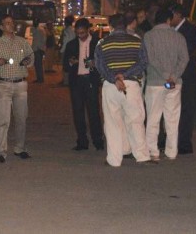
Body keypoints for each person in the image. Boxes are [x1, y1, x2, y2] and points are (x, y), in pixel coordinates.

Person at [95, 14, 154, 167]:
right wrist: (125, 75)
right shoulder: (136, 41)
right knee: (136, 120)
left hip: (110, 86)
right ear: (126, 24)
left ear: (111, 25)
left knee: (112, 122)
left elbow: (100, 66)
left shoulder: (103, 43)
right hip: (131, 85)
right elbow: (143, 62)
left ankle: (114, 159)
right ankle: (142, 155)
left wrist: (115, 78)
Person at [0, 15, 34, 163]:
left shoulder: (22, 42)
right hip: (3, 84)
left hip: (21, 84)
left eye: (12, 23)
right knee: (3, 119)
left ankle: (20, 147)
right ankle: (0, 151)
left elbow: (31, 57)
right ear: (1, 27)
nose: (10, 25)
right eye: (7, 23)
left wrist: (27, 61)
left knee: (21, 118)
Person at [143, 9, 189, 161]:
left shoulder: (149, 36)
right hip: (174, 84)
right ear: (169, 20)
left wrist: (164, 75)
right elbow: (185, 59)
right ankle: (171, 151)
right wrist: (173, 76)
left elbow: (150, 58)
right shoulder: (179, 36)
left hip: (156, 82)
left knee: (153, 118)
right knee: (172, 118)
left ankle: (153, 151)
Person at [63, 18, 104, 151]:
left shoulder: (97, 43)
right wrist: (71, 62)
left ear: (88, 30)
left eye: (83, 33)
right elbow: (65, 65)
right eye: (78, 33)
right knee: (78, 112)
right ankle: (82, 141)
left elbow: (103, 61)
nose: (80, 36)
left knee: (93, 112)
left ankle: (98, 140)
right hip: (77, 81)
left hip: (90, 79)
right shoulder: (71, 44)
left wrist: (95, 64)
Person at [170, 4, 196, 155]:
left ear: (178, 15)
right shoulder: (170, 30)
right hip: (173, 75)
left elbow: (187, 52)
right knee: (171, 109)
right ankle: (171, 141)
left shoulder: (190, 29)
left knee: (186, 109)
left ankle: (184, 143)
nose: (170, 18)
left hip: (186, 76)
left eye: (172, 15)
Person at [60, 15, 76, 86]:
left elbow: (65, 41)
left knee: (65, 66)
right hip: (72, 50)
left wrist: (61, 50)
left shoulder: (66, 30)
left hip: (66, 50)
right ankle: (67, 80)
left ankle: (66, 81)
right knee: (70, 65)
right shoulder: (73, 30)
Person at [31, 18, 46, 83]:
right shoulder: (41, 30)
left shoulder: (37, 30)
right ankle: (40, 78)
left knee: (38, 65)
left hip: (37, 49)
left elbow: (37, 40)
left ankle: (40, 79)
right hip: (40, 48)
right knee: (38, 65)